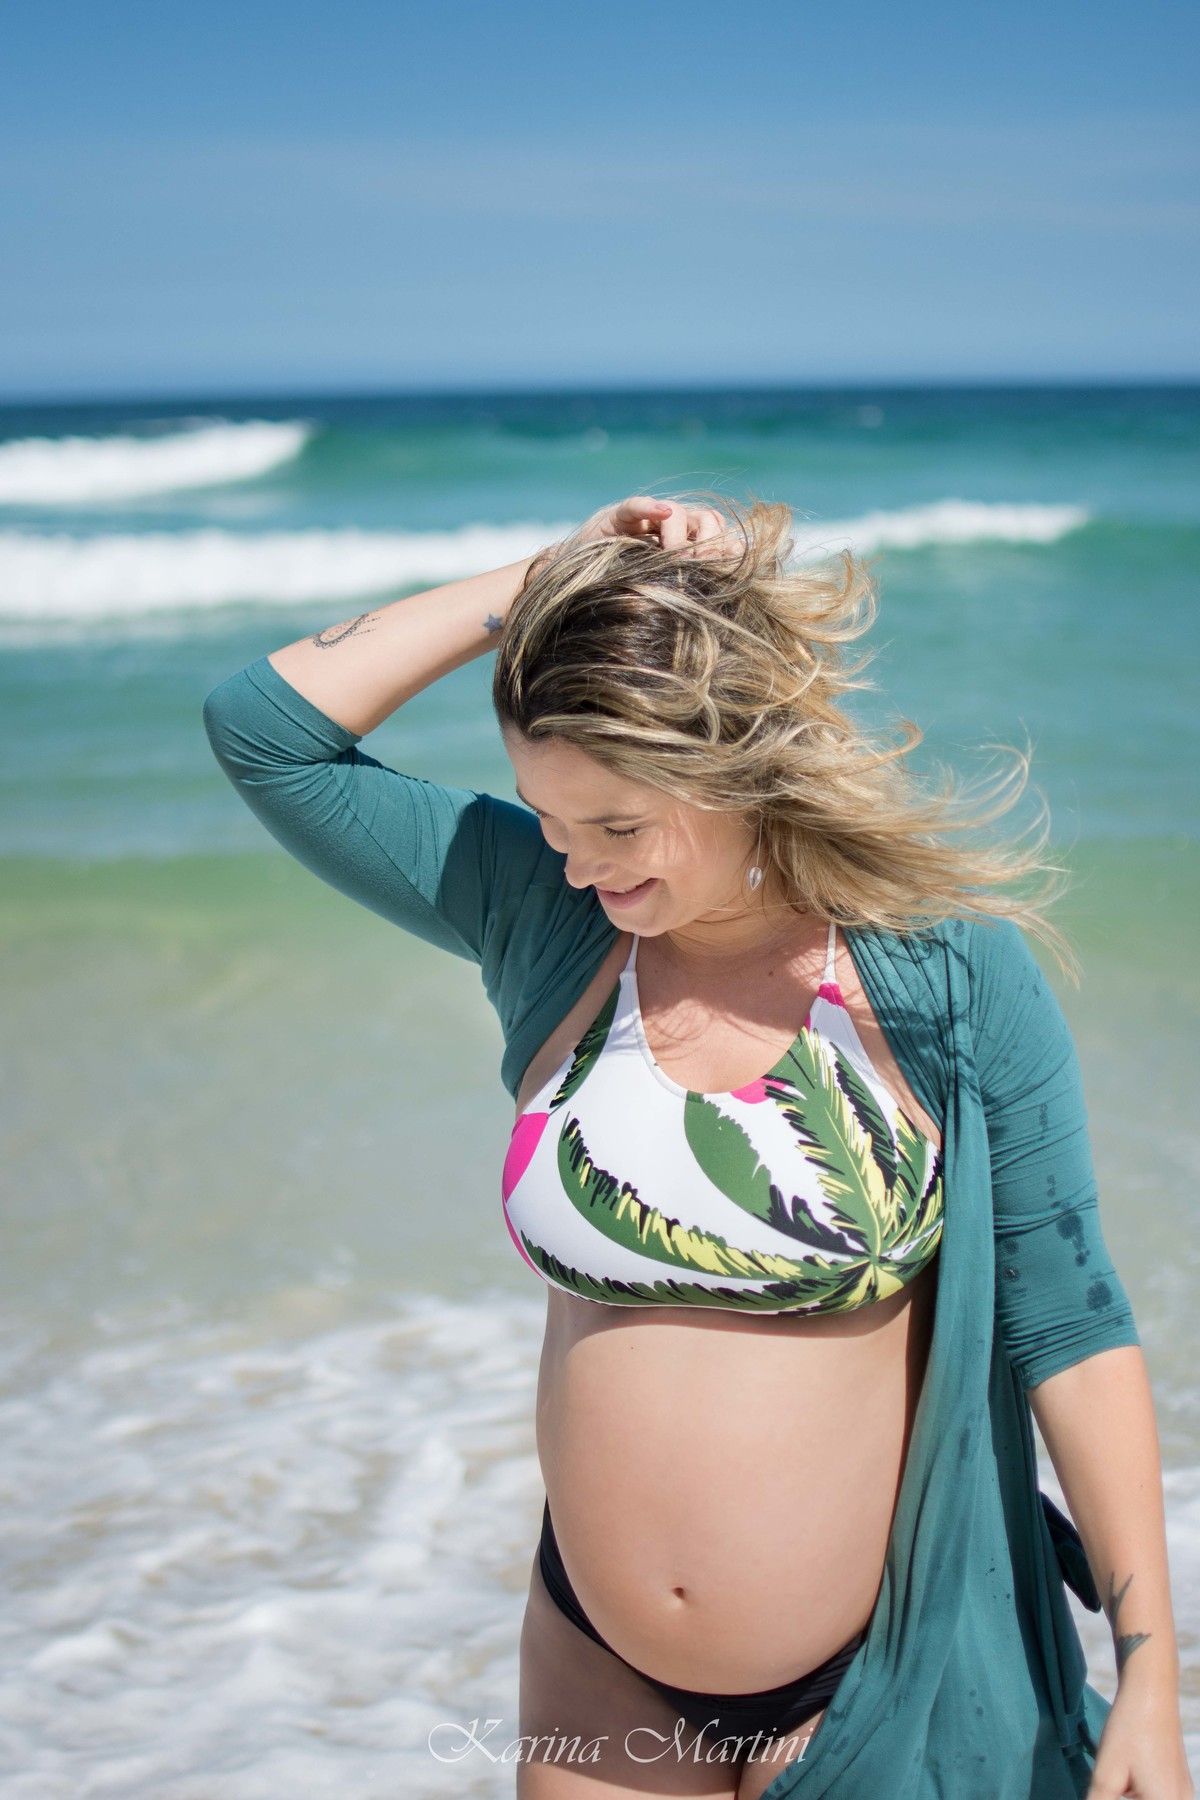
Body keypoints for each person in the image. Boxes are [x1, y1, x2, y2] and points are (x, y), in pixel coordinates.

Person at [203, 494, 1191, 1799]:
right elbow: (264, 731)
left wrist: (1151, 1674)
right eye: (548, 818)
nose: (578, 865)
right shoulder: (553, 924)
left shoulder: (944, 976)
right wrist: (564, 575)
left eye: (618, 827)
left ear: (739, 764)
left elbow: (1068, 1324)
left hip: (866, 1683)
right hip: (596, 1668)